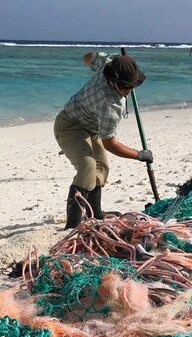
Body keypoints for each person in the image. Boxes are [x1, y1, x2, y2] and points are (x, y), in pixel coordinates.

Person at [54, 52, 152, 229]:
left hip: (90, 128)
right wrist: (138, 155)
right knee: (88, 167)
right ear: (114, 82)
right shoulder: (110, 104)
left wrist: (115, 62)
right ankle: (72, 225)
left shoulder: (108, 64)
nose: (129, 91)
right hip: (69, 126)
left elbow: (87, 56)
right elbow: (110, 144)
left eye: (132, 85)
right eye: (125, 87)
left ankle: (95, 213)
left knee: (102, 166)